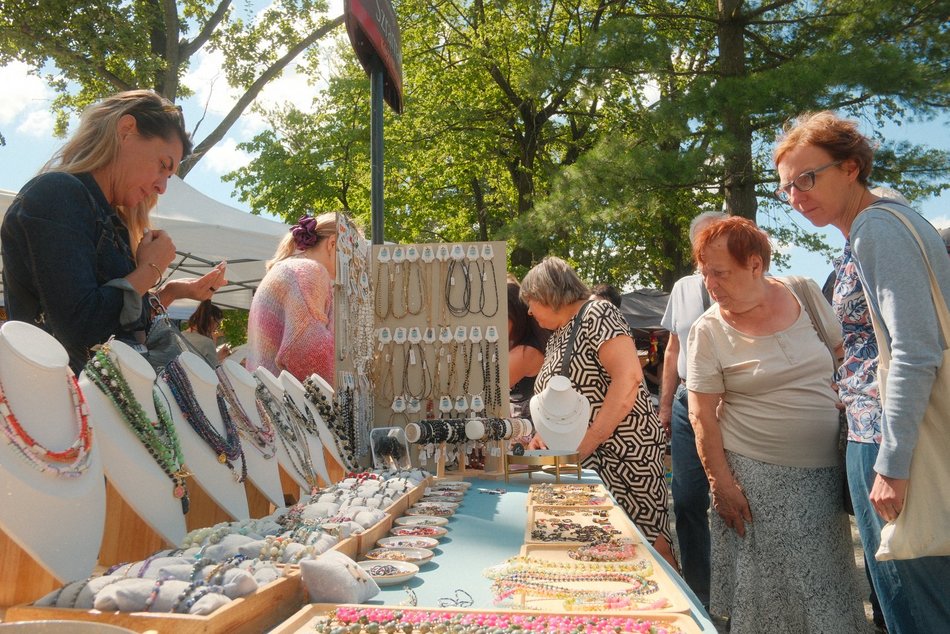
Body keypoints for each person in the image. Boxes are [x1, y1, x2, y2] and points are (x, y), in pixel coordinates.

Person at [773, 110, 950, 633]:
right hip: (890, 429)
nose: (797, 195)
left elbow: (916, 349)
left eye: (808, 178)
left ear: (850, 167)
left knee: (915, 607)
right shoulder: (888, 217)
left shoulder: (876, 227)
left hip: (890, 439)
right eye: (786, 188)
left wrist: (892, 464)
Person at [687, 216, 864, 632]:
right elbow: (701, 416)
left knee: (828, 587)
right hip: (755, 482)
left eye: (720, 272)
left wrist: (850, 397)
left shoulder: (802, 290)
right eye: (705, 273)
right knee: (770, 601)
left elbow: (844, 353)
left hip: (824, 475)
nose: (710, 284)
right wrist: (721, 484)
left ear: (755, 265)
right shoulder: (708, 330)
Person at [0, 90, 225, 373]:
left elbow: (126, 328)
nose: (162, 187)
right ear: (126, 130)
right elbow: (81, 329)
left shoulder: (110, 220)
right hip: (62, 405)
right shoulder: (58, 193)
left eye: (168, 177)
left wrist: (170, 290)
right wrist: (151, 268)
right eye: (162, 166)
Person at [521, 257, 675, 566]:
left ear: (548, 294)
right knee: (608, 548)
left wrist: (585, 444)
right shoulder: (560, 334)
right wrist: (544, 434)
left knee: (647, 544)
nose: (528, 311)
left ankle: (677, 610)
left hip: (623, 455)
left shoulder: (598, 313)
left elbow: (628, 379)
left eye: (531, 302)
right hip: (589, 456)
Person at [658, 209, 726, 608]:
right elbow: (672, 348)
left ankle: (735, 593)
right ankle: (701, 592)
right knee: (685, 499)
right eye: (701, 246)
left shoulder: (749, 282)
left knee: (732, 498)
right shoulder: (682, 288)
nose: (708, 254)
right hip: (686, 403)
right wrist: (665, 406)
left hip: (731, 403)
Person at [246, 213, 337, 383]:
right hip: (283, 403)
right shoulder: (309, 271)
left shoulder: (289, 269)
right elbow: (306, 352)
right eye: (353, 255)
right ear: (333, 244)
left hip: (264, 398)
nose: (355, 265)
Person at [507, 280, 546, 421]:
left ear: (515, 315)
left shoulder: (525, 352)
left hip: (530, 435)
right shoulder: (530, 342)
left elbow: (488, 387)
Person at [182, 299, 226, 368]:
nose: (216, 329)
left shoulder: (180, 335)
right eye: (217, 324)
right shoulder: (207, 342)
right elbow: (213, 370)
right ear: (211, 320)